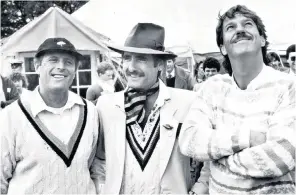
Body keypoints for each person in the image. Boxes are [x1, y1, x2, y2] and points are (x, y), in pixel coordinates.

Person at [179, 5, 295, 194]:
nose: (240, 29)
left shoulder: (288, 86)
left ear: (263, 40)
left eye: (247, 24)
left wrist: (217, 159)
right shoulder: (213, 88)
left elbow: (280, 157)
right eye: (230, 27)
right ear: (223, 48)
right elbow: (189, 141)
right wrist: (248, 138)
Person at [95, 23, 202, 194]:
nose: (131, 67)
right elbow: (98, 161)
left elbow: (209, 156)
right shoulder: (105, 105)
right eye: (127, 58)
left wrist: (200, 189)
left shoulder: (187, 102)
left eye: (141, 59)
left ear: (160, 64)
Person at [0, 37, 103, 194]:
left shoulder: (90, 112)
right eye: (53, 60)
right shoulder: (12, 116)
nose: (61, 67)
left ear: (75, 70)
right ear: (37, 66)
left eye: (68, 62)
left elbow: (94, 168)